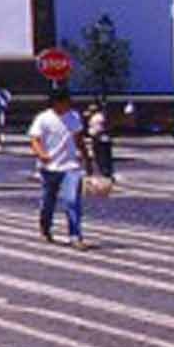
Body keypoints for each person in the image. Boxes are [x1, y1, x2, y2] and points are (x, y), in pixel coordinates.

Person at [28, 87, 90, 248]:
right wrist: (41, 154)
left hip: (70, 166)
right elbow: (34, 139)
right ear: (56, 102)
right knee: (48, 201)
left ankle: (75, 236)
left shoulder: (74, 117)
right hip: (49, 167)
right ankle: (45, 228)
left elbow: (79, 139)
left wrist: (87, 158)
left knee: (72, 201)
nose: (68, 104)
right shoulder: (43, 118)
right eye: (65, 101)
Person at [87, 102, 115, 181]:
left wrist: (94, 136)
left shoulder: (97, 117)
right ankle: (106, 172)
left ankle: (105, 174)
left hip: (100, 140)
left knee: (102, 157)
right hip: (102, 139)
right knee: (104, 157)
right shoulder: (99, 116)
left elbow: (98, 130)